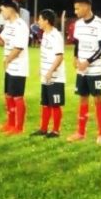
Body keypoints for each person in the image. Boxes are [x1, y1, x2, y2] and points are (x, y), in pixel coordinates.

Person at [67, 0, 101, 144]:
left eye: (77, 8)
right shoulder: (78, 24)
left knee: (97, 99)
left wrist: (88, 62)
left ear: (86, 7)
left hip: (95, 69)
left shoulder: (100, 24)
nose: (75, 11)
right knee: (82, 98)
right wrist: (76, 57)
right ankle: (80, 132)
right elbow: (77, 43)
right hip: (81, 69)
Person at [0, 0, 30, 135]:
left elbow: (19, 48)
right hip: (10, 67)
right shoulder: (9, 24)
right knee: (8, 95)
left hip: (18, 67)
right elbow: (2, 41)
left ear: (10, 9)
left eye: (2, 10)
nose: (1, 13)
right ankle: (10, 123)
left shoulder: (21, 26)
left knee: (17, 97)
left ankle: (19, 127)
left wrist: (7, 60)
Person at [31, 9, 65, 138]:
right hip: (46, 76)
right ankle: (43, 128)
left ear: (46, 21)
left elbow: (59, 56)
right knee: (45, 103)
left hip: (55, 77)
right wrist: (42, 68)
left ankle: (56, 131)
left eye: (39, 19)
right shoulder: (45, 34)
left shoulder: (56, 36)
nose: (38, 21)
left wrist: (50, 71)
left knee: (55, 104)